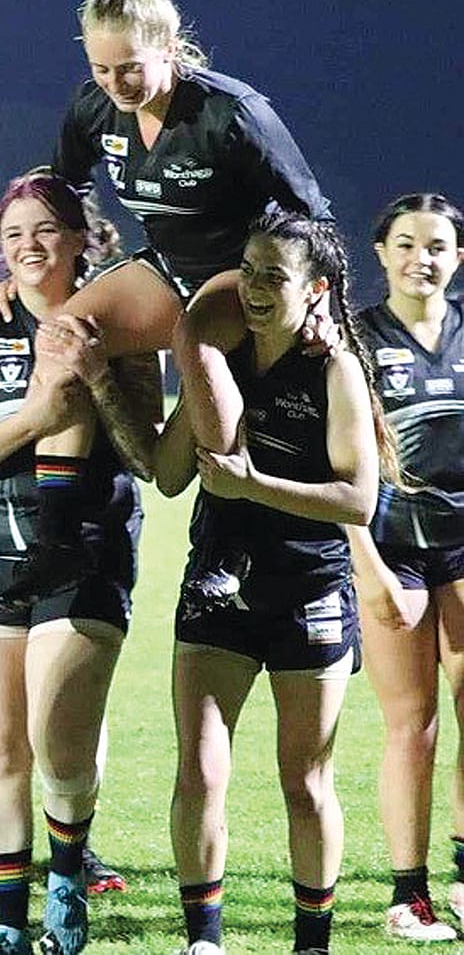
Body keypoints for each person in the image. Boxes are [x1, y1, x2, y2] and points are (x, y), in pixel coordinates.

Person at [1, 0, 329, 608]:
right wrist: (18, 280)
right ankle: (60, 535)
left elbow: (311, 214)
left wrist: (315, 302)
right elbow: (58, 191)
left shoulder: (233, 113)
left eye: (129, 67)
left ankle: (224, 544)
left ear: (171, 49)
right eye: (100, 69)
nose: (115, 83)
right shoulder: (94, 109)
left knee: (194, 343)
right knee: (63, 336)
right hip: (168, 267)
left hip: (240, 273)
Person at [0, 172, 160, 955]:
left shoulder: (118, 326)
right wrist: (33, 417)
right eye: (15, 232)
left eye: (47, 228)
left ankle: (65, 877)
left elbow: (149, 458)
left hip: (86, 550)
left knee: (57, 735)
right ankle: (8, 925)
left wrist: (95, 374)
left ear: (81, 237)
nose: (30, 244)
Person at [154, 212, 388, 955]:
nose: (253, 287)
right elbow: (167, 475)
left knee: (305, 782)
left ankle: (311, 943)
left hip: (308, 591)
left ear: (315, 289)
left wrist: (252, 483)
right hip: (217, 586)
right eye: (248, 270)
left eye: (274, 276)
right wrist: (194, 369)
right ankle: (204, 940)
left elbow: (359, 500)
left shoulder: (334, 369)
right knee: (199, 771)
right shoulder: (219, 356)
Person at [352, 193, 464, 940]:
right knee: (412, 722)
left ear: (459, 257)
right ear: (382, 252)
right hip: (391, 545)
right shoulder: (357, 339)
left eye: (436, 246)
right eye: (405, 244)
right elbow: (339, 461)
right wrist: (365, 564)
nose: (420, 258)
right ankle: (408, 894)